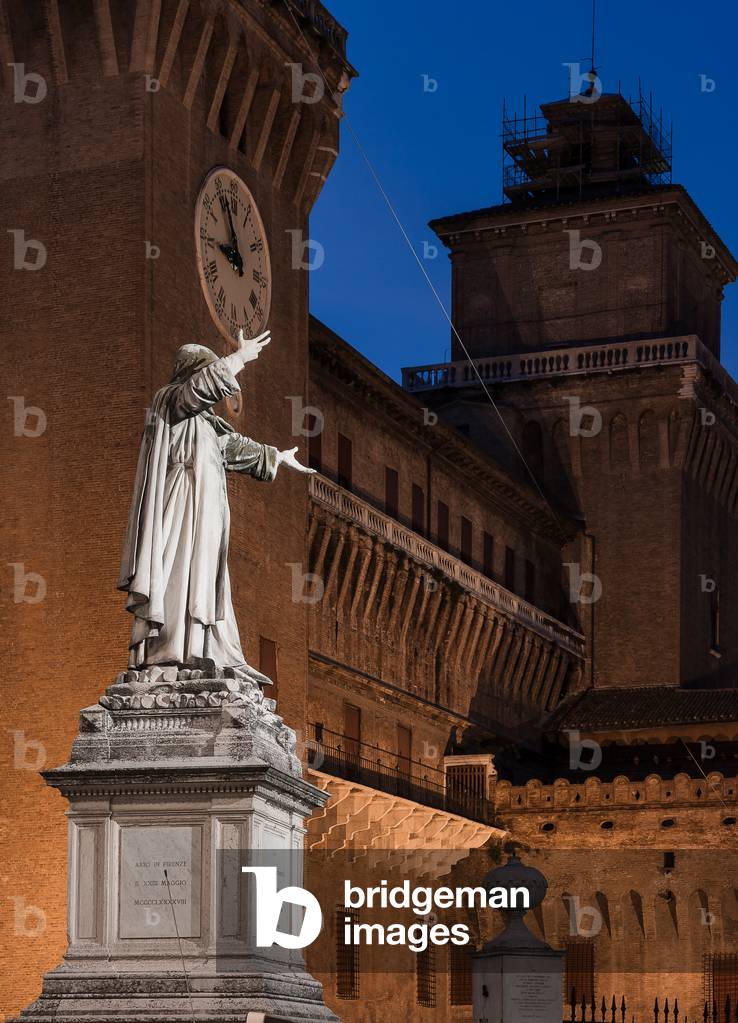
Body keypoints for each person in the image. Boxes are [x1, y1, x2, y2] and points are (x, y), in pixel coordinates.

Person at [117, 329, 312, 675]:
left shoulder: (205, 425)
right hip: (179, 511)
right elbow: (198, 392)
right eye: (206, 371)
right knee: (180, 576)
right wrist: (238, 359)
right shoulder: (170, 402)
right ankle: (173, 651)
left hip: (206, 516)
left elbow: (234, 447)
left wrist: (278, 457)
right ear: (191, 373)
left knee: (209, 582)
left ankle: (214, 650)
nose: (213, 394)